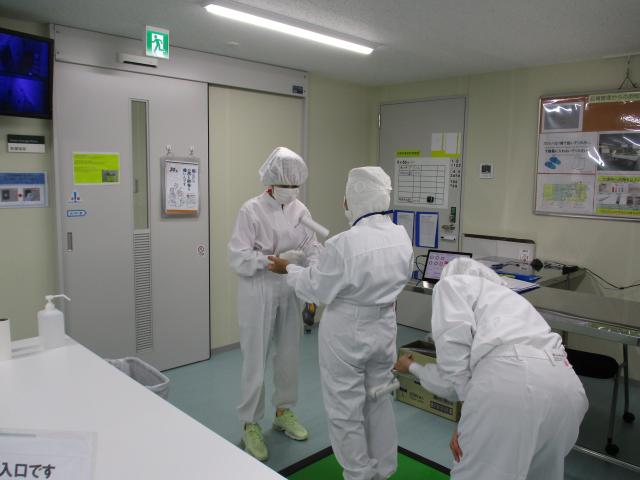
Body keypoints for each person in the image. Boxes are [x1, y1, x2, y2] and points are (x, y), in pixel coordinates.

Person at [268, 166, 414, 480]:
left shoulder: (344, 243)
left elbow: (316, 289)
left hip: (348, 331)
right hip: (385, 326)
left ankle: (358, 474)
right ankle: (383, 469)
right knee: (379, 398)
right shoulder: (401, 236)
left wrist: (288, 269)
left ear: (354, 199)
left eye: (346, 197)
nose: (343, 203)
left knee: (345, 407)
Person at [395, 257, 588, 480]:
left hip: (512, 384)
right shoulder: (510, 298)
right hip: (567, 388)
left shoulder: (452, 285)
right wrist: (473, 417)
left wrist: (411, 366)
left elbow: (453, 372)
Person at [228, 146, 322, 462]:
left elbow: (312, 244)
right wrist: (272, 261)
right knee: (255, 356)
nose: (291, 190)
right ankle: (250, 423)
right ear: (271, 182)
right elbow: (237, 256)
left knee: (289, 353)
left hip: (290, 285)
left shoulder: (300, 209)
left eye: (296, 185)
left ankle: (283, 411)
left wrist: (315, 270)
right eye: (286, 184)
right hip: (259, 287)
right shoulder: (251, 210)